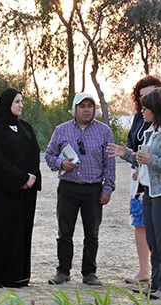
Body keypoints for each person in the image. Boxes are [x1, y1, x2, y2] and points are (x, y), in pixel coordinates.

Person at [109, 88, 161, 300]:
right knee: (153, 240)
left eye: (146, 108)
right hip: (150, 192)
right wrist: (125, 154)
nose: (142, 111)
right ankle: (157, 283)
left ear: (157, 109)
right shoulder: (151, 131)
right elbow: (143, 162)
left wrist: (151, 161)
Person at [44, 93, 116, 286]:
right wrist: (61, 163)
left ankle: (89, 272)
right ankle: (63, 271)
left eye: (90, 106)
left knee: (92, 232)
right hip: (68, 187)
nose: (86, 109)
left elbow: (110, 163)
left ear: (94, 109)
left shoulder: (104, 131)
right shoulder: (61, 130)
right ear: (74, 109)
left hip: (93, 189)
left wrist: (107, 188)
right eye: (82, 106)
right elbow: (49, 155)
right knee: (64, 231)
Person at [0, 88, 42, 288]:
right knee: (0, 233)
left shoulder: (26, 128)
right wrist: (20, 178)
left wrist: (31, 177)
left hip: (26, 193)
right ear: (6, 104)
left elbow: (34, 154)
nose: (21, 105)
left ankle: (18, 276)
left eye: (21, 101)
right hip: (4, 192)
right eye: (17, 101)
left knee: (22, 233)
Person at [124, 76, 161, 288]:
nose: (145, 102)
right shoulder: (139, 119)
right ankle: (144, 271)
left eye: (150, 96)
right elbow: (134, 145)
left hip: (158, 182)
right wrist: (136, 166)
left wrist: (146, 164)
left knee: (159, 231)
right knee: (140, 223)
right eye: (142, 98)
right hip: (139, 178)